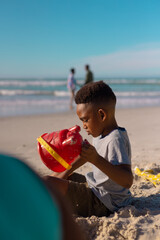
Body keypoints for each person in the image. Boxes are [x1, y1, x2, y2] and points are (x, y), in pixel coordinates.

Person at [44, 81, 133, 217]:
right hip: (97, 188)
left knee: (49, 183)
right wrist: (65, 172)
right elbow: (85, 156)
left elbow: (127, 181)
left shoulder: (115, 139)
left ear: (102, 115)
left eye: (85, 120)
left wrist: (96, 160)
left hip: (106, 202)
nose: (83, 126)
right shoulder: (100, 132)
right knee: (57, 177)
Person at [0, 154, 85, 240]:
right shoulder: (14, 166)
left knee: (49, 181)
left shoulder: (11, 167)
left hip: (92, 191)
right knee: (50, 180)